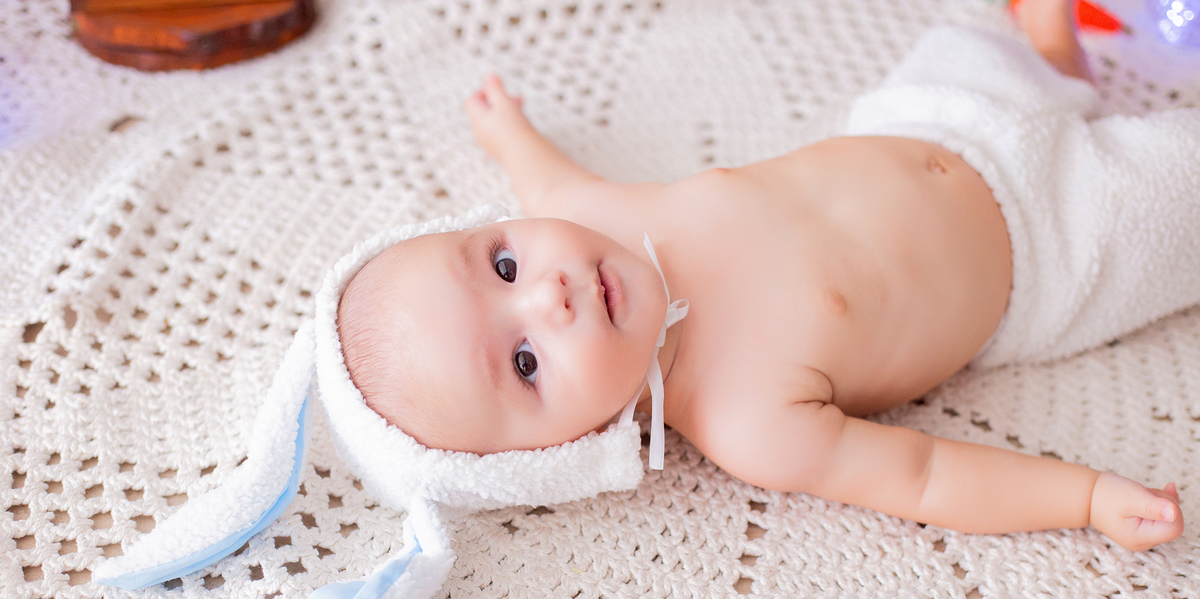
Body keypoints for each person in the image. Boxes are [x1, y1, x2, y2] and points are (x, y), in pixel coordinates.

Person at [335, 0, 1200, 551]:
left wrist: (506, 135)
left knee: (968, 40)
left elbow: (545, 183)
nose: (546, 295)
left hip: (936, 117)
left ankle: (1052, 56)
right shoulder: (748, 420)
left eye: (502, 262)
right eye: (525, 362)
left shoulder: (602, 221)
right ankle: (1067, 83)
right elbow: (924, 477)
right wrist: (1084, 498)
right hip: (1052, 245)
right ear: (563, 455)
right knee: (1173, 194)